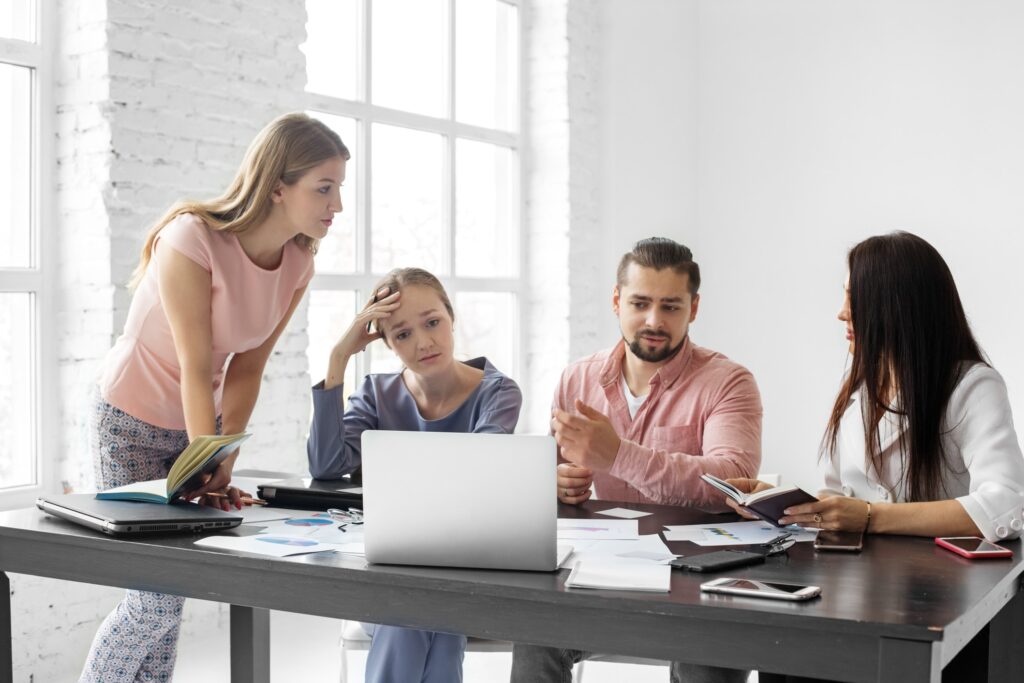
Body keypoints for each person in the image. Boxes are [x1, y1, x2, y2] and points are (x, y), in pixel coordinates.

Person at [80, 112, 350, 683]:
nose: (337, 205)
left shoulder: (298, 263)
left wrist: (223, 461)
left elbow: (247, 368)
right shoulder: (191, 238)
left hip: (194, 429)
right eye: (324, 188)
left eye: (339, 189)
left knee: (166, 601)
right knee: (155, 599)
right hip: (129, 422)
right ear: (278, 185)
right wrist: (208, 458)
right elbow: (194, 362)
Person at [510, 237, 761, 683]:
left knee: (712, 658)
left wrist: (619, 455)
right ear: (616, 300)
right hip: (599, 573)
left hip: (698, 586)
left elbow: (733, 480)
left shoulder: (729, 382)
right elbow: (550, 472)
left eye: (670, 307)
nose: (653, 321)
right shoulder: (578, 379)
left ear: (694, 308)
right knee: (535, 635)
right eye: (640, 303)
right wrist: (556, 481)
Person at [723, 231, 1024, 542]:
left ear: (898, 307)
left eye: (855, 298)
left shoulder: (972, 387)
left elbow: (1004, 505)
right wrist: (778, 504)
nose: (841, 312)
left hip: (935, 582)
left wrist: (871, 516)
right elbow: (841, 502)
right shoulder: (859, 388)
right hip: (860, 574)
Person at [306, 267, 522, 683]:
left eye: (433, 322)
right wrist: (339, 357)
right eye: (402, 334)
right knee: (419, 616)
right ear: (386, 342)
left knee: (412, 613)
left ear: (451, 316)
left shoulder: (497, 393)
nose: (424, 342)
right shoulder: (375, 392)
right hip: (386, 568)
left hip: (467, 571)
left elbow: (478, 481)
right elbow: (328, 465)